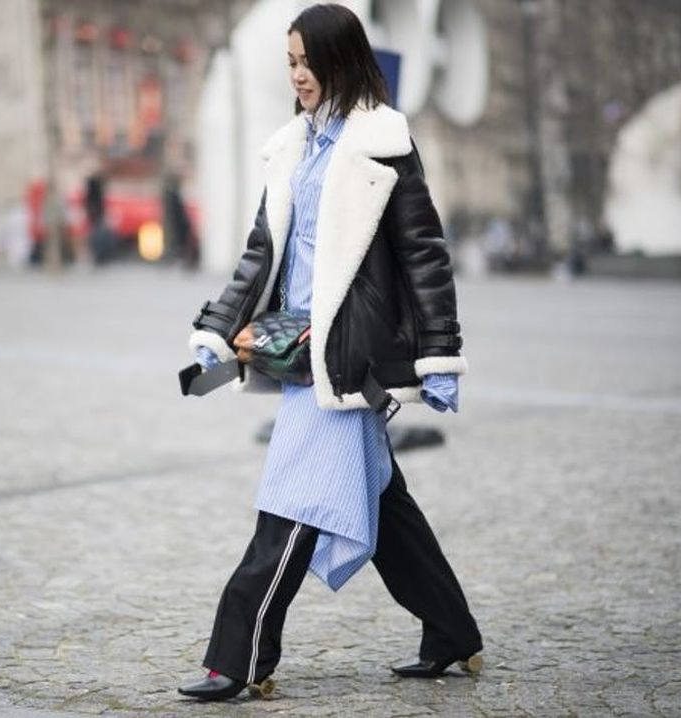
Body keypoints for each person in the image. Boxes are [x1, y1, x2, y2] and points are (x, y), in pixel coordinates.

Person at [179, 4, 482, 701]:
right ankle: (453, 632)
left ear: (340, 58)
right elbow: (261, 254)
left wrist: (438, 357)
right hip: (299, 351)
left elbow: (425, 257)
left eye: (306, 61)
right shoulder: (293, 146)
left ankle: (239, 656)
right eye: (289, 62)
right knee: (384, 500)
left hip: (351, 352)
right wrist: (217, 327)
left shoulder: (382, 139)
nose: (298, 75)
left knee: (294, 497)